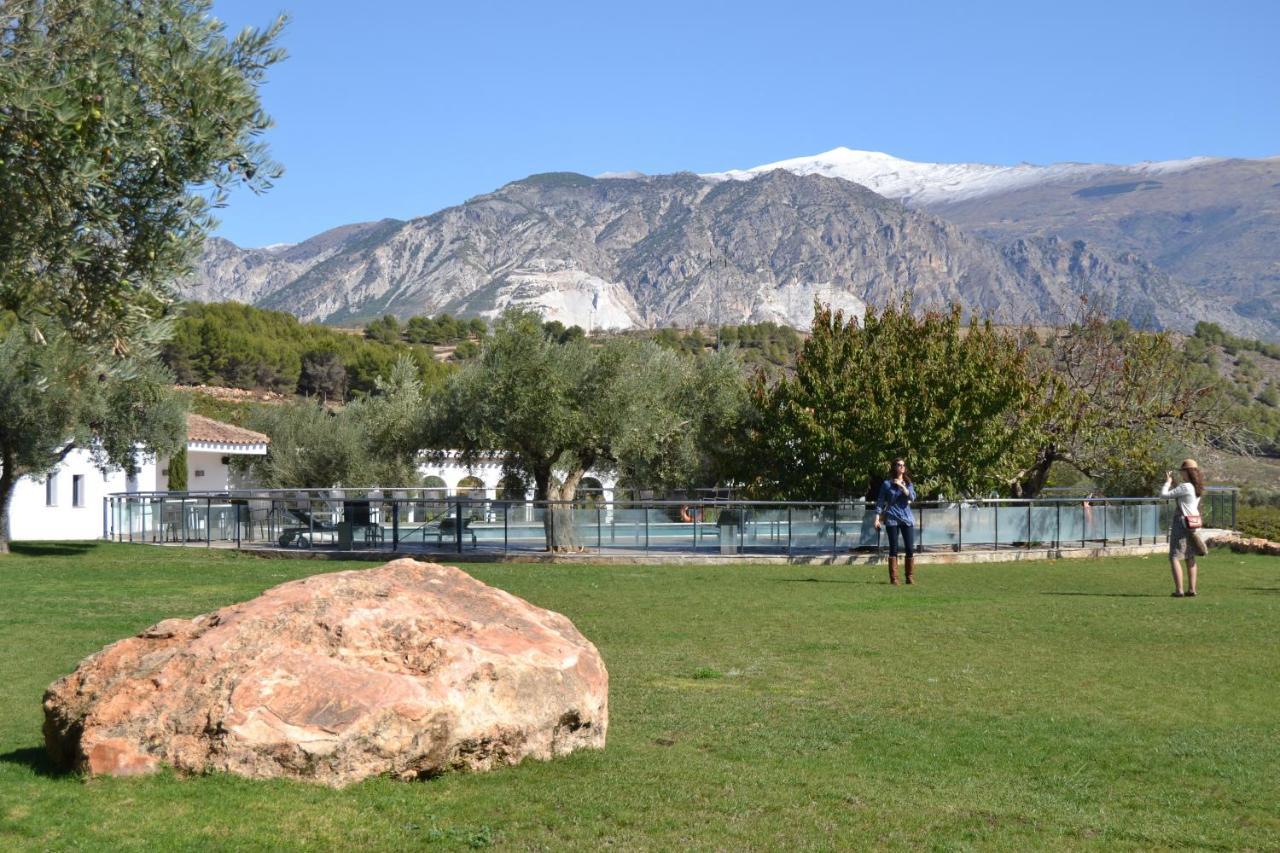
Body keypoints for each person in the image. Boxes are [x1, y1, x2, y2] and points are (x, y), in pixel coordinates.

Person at [1160, 458, 1205, 597]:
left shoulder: (1186, 486)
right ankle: (1192, 589)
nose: (1181, 474)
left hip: (1182, 522)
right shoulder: (1197, 487)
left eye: (1182, 471)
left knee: (1175, 555)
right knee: (1190, 556)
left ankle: (1179, 590)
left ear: (1187, 472)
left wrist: (1167, 483)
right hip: (1194, 523)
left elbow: (1163, 495)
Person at [874, 458, 917, 585]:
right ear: (894, 467)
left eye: (903, 465)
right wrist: (877, 518)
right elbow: (880, 501)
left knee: (909, 548)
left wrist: (902, 486)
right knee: (894, 548)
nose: (902, 467)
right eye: (899, 465)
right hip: (892, 518)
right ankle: (894, 578)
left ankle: (909, 576)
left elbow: (912, 497)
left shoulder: (908, 483)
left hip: (906, 518)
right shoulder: (887, 484)